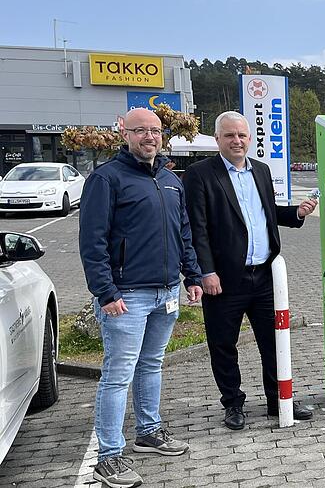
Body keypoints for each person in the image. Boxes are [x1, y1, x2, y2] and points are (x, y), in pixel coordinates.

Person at [79, 108, 204, 488]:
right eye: (141, 131)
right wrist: (105, 292)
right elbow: (92, 241)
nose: (150, 137)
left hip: (166, 291)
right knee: (117, 376)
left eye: (155, 130)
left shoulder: (170, 179)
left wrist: (192, 275)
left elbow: (183, 232)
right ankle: (109, 457)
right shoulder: (106, 179)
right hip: (126, 296)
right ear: (125, 134)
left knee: (151, 365)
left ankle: (149, 432)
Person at [182, 111, 317, 430]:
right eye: (229, 135)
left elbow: (265, 213)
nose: (237, 141)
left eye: (242, 135)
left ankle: (277, 400)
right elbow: (195, 227)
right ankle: (233, 403)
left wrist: (295, 212)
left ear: (250, 138)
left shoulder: (261, 171)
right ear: (217, 139)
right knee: (223, 345)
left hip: (264, 277)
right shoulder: (200, 174)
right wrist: (205, 271)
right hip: (223, 280)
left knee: (274, 341)